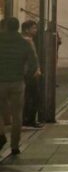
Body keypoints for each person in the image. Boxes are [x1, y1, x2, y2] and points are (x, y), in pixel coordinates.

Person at [0, 17, 40, 155]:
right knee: (17, 115)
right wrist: (25, 76)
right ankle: (15, 146)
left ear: (5, 27)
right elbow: (33, 63)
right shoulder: (23, 43)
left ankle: (1, 135)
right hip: (17, 82)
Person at [21, 20, 41, 128]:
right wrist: (36, 69)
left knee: (29, 96)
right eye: (33, 28)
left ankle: (28, 119)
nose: (36, 30)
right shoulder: (26, 41)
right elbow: (31, 58)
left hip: (29, 72)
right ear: (26, 29)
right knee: (33, 97)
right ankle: (30, 119)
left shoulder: (28, 40)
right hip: (30, 73)